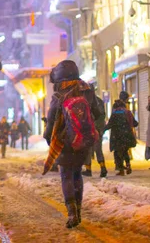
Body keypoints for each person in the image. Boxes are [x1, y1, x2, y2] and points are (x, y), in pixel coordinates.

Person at [43, 60, 102, 229]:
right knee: (77, 175)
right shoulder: (87, 92)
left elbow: (51, 124)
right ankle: (79, 211)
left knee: (66, 176)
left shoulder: (59, 96)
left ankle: (72, 213)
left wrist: (50, 140)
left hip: (65, 143)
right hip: (83, 142)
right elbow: (98, 114)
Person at [104, 99, 138, 176]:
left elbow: (110, 124)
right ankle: (128, 164)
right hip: (126, 135)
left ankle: (121, 169)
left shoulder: (114, 113)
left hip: (117, 137)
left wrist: (102, 130)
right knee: (125, 151)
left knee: (117, 153)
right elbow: (135, 123)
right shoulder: (127, 112)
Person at [83, 91, 108, 178]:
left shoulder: (89, 102)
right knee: (97, 150)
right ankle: (102, 168)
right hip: (96, 129)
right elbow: (102, 117)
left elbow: (98, 117)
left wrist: (95, 128)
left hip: (92, 130)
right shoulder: (98, 101)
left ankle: (89, 170)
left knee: (90, 150)